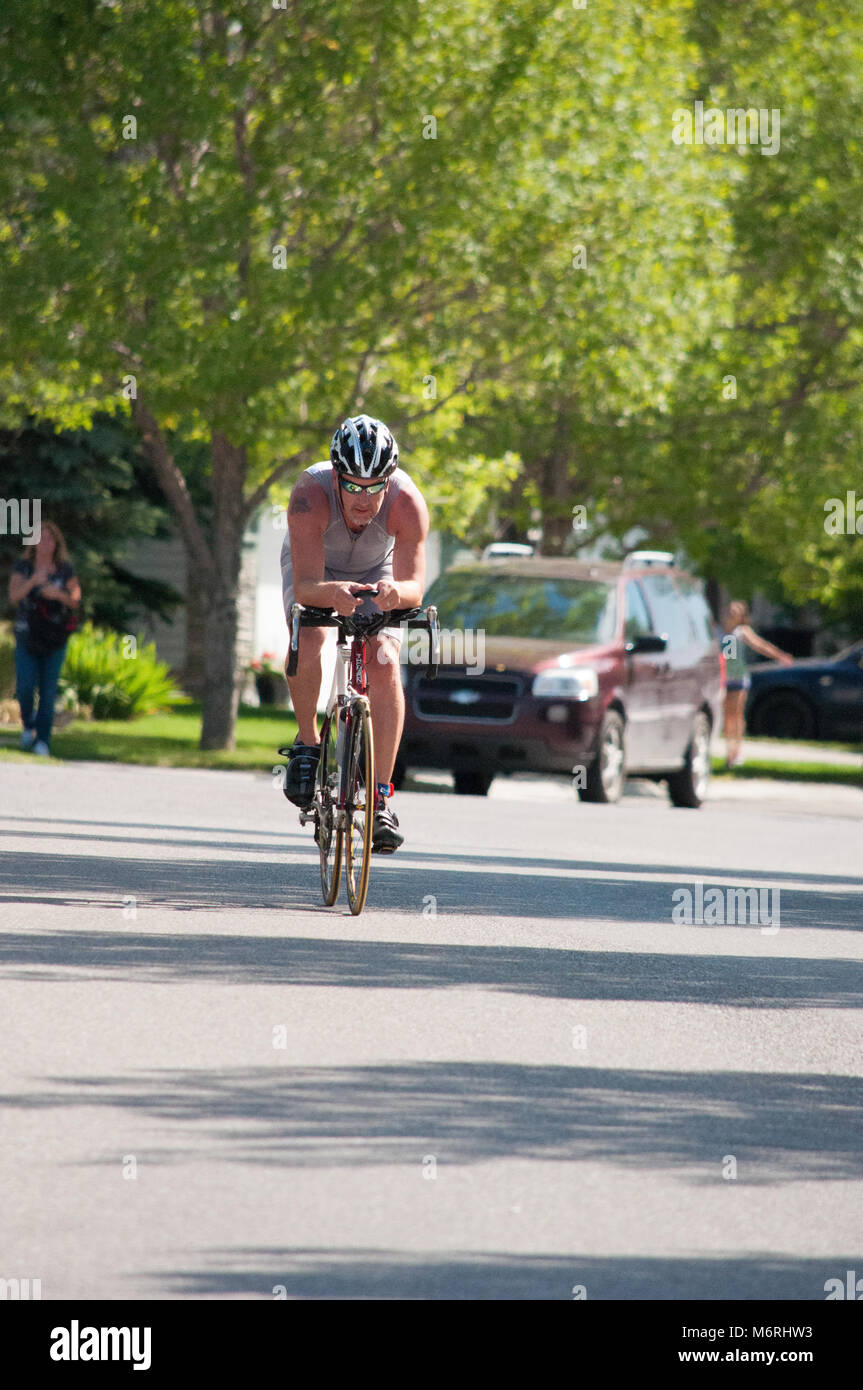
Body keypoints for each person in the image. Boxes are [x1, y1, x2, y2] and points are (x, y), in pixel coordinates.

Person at [280, 415, 429, 852]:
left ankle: (380, 798)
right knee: (310, 636)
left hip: (379, 570)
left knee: (383, 657)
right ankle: (308, 744)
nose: (364, 499)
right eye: (353, 486)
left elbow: (414, 586)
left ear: (389, 480)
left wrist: (393, 592)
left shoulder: (408, 502)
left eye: (374, 486)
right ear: (337, 477)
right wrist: (330, 592)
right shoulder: (309, 494)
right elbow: (307, 588)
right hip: (318, 569)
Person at [8, 520, 82, 757]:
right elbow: (13, 596)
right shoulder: (24, 567)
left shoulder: (64, 569)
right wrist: (34, 582)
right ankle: (28, 724)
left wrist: (58, 594)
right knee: (26, 686)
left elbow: (75, 599)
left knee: (48, 692)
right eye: (40, 537)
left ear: (56, 543)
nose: (44, 542)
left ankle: (43, 740)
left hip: (55, 638)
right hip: (27, 635)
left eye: (49, 538)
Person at [721, 600, 793, 768]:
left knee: (737, 714)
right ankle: (728, 751)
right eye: (730, 610)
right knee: (727, 716)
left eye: (735, 611)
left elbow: (761, 646)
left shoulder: (742, 632)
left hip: (739, 677)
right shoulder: (722, 632)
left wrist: (780, 656)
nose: (732, 613)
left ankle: (736, 752)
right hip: (725, 678)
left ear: (741, 616)